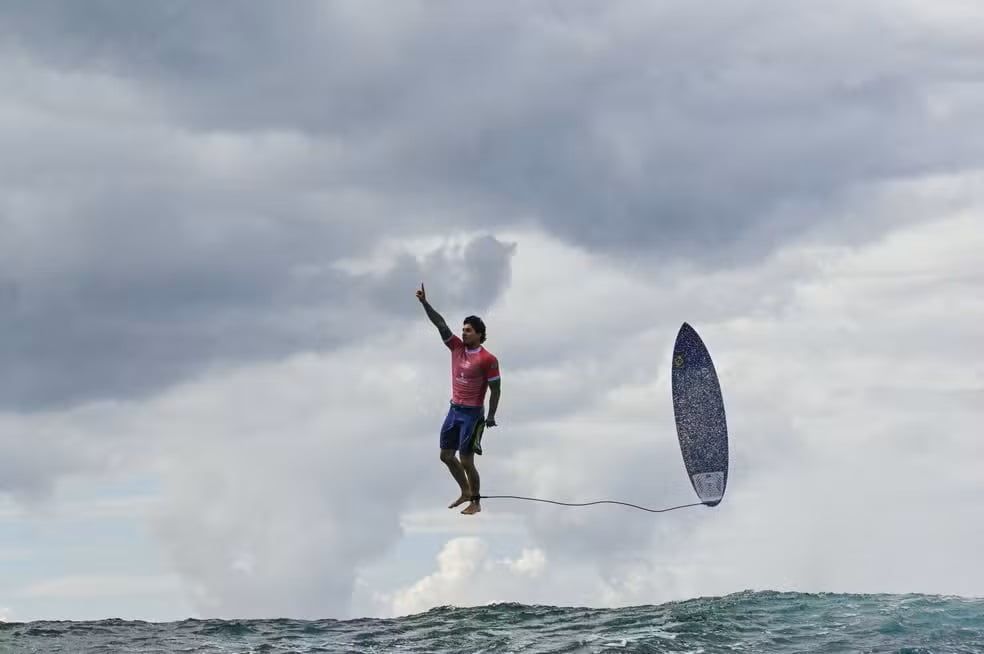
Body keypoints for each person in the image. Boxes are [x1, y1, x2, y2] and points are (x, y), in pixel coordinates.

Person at [416, 282, 500, 515]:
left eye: (469, 330)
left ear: (480, 335)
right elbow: (440, 324)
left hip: (473, 415)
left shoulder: (488, 359)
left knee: (466, 460)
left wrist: (491, 415)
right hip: (455, 410)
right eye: (463, 329)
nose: (463, 333)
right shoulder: (456, 348)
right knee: (445, 455)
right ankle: (465, 491)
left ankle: (476, 501)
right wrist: (425, 303)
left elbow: (496, 390)